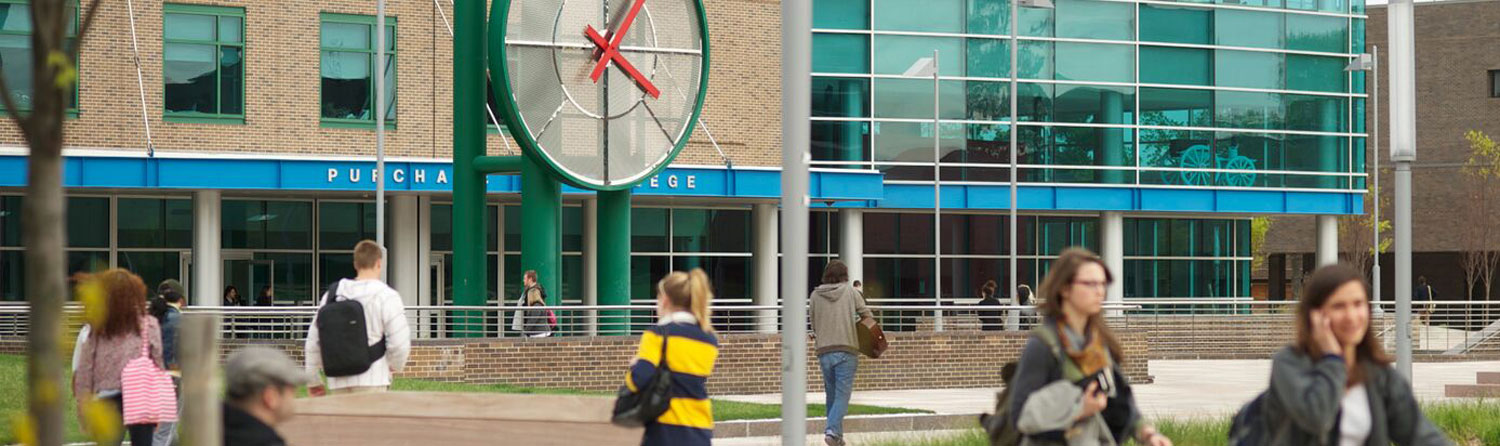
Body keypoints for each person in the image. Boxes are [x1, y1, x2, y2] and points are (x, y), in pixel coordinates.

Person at [1260, 264, 1450, 446]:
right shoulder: (1290, 364)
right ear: (1315, 315)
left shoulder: (1378, 375)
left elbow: (1422, 436)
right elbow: (1317, 418)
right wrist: (1333, 359)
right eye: (1339, 306)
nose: (1351, 316)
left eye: (1358, 304)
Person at [1008, 249, 1171, 446]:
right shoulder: (1043, 344)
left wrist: (1147, 434)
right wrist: (1078, 409)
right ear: (1064, 288)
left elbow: (1121, 400)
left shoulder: (1098, 342)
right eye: (1090, 283)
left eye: (1102, 284)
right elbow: (1019, 416)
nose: (1099, 291)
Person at [626, 269, 720, 446]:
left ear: (665, 300)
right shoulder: (709, 339)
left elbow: (638, 380)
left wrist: (635, 365)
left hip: (665, 430)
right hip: (701, 428)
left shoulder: (657, 334)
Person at [305, 240, 411, 395]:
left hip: (338, 379)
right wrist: (394, 366)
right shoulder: (386, 295)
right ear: (379, 263)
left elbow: (313, 341)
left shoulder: (333, 294)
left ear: (355, 264)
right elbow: (400, 342)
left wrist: (313, 379)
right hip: (373, 378)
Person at [72, 269, 165, 446]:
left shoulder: (97, 327)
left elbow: (85, 369)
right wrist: (157, 405)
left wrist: (83, 405)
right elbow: (157, 366)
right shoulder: (149, 325)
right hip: (141, 397)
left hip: (107, 397)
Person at [808, 260, 875, 446]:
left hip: (824, 351)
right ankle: (831, 431)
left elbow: (813, 323)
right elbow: (867, 315)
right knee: (842, 396)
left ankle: (837, 437)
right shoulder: (851, 292)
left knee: (832, 395)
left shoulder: (815, 295)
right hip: (847, 349)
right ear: (845, 275)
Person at [223, 347, 314, 446]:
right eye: (292, 388)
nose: (295, 394)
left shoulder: (211, 432)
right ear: (270, 397)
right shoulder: (265, 441)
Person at [152, 280, 187, 446]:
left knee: (160, 431)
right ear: (181, 300)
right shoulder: (178, 320)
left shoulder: (150, 318)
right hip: (172, 378)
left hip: (148, 380)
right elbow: (177, 355)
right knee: (165, 432)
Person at [511, 270, 552, 337]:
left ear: (530, 279)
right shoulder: (529, 291)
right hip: (535, 331)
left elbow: (533, 318)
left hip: (538, 332)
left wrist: (525, 331)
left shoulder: (536, 304)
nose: (523, 280)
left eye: (525, 278)